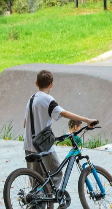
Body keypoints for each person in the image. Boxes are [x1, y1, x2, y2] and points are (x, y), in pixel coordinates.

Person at [23, 70, 98, 198]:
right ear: (51, 85)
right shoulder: (48, 99)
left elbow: (25, 123)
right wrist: (87, 120)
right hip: (42, 146)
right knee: (56, 174)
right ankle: (46, 200)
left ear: (36, 83)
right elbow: (63, 113)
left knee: (36, 181)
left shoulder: (31, 99)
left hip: (28, 145)